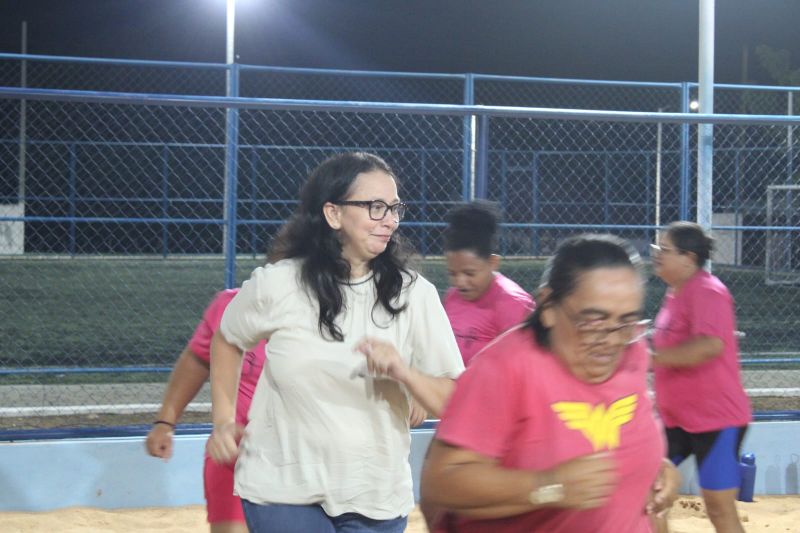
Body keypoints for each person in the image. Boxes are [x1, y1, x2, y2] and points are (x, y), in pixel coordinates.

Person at [206, 151, 465, 533]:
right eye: (376, 207)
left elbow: (454, 401)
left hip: (376, 494)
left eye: (394, 208)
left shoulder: (415, 294)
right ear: (333, 214)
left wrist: (406, 374)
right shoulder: (278, 283)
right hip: (282, 487)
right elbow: (227, 339)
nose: (390, 220)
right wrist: (223, 420)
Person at [421, 234, 680, 532]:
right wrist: (549, 486)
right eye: (593, 321)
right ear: (548, 307)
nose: (611, 340)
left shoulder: (631, 348)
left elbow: (629, 436)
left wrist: (651, 467)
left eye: (626, 321)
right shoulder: (506, 367)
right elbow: (441, 483)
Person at [650, 221, 751, 533]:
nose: (656, 254)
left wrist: (650, 359)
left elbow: (709, 346)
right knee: (648, 493)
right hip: (675, 419)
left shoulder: (708, 291)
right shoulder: (675, 292)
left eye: (664, 249)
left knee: (719, 509)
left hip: (716, 421)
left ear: (688, 258)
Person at [146, 289, 267, 533]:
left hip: (303, 459)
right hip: (233, 453)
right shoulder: (233, 305)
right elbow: (198, 360)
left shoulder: (327, 311)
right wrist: (165, 421)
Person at [443, 200, 535, 366]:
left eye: (469, 273)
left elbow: (524, 367)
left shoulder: (514, 304)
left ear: (493, 262)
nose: (460, 282)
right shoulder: (452, 297)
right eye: (453, 273)